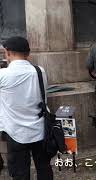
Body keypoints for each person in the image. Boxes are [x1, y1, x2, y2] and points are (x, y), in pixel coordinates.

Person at [0, 37, 53, 179]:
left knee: (20, 173)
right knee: (44, 169)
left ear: (8, 52)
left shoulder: (3, 75)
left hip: (15, 132)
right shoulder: (39, 71)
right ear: (28, 53)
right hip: (40, 129)